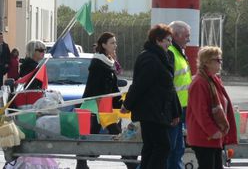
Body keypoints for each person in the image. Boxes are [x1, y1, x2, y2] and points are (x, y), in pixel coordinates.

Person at [123, 24, 181, 169]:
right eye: (166, 40)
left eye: (170, 40)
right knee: (163, 146)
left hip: (159, 110)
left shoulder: (163, 58)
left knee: (151, 147)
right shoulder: (149, 58)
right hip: (151, 111)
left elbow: (169, 87)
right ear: (157, 40)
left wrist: (175, 111)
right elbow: (139, 85)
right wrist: (127, 104)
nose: (169, 43)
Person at [78, 32, 135, 169]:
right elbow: (96, 88)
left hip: (105, 105)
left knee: (93, 135)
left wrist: (119, 103)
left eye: (115, 42)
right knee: (111, 134)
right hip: (96, 105)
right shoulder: (98, 63)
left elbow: (112, 87)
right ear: (103, 45)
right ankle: (129, 160)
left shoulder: (108, 61)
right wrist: (102, 109)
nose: (115, 45)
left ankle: (82, 163)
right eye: (112, 43)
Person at [186, 46, 237, 169]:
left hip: (213, 137)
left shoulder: (213, 80)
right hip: (205, 137)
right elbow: (201, 113)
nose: (220, 62)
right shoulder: (200, 82)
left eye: (220, 59)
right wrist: (213, 131)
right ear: (207, 62)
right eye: (217, 60)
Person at [167, 21, 191, 169]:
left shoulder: (179, 52)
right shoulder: (171, 52)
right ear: (176, 35)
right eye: (186, 36)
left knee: (177, 150)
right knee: (171, 151)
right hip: (174, 110)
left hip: (181, 108)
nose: (189, 39)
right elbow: (168, 84)